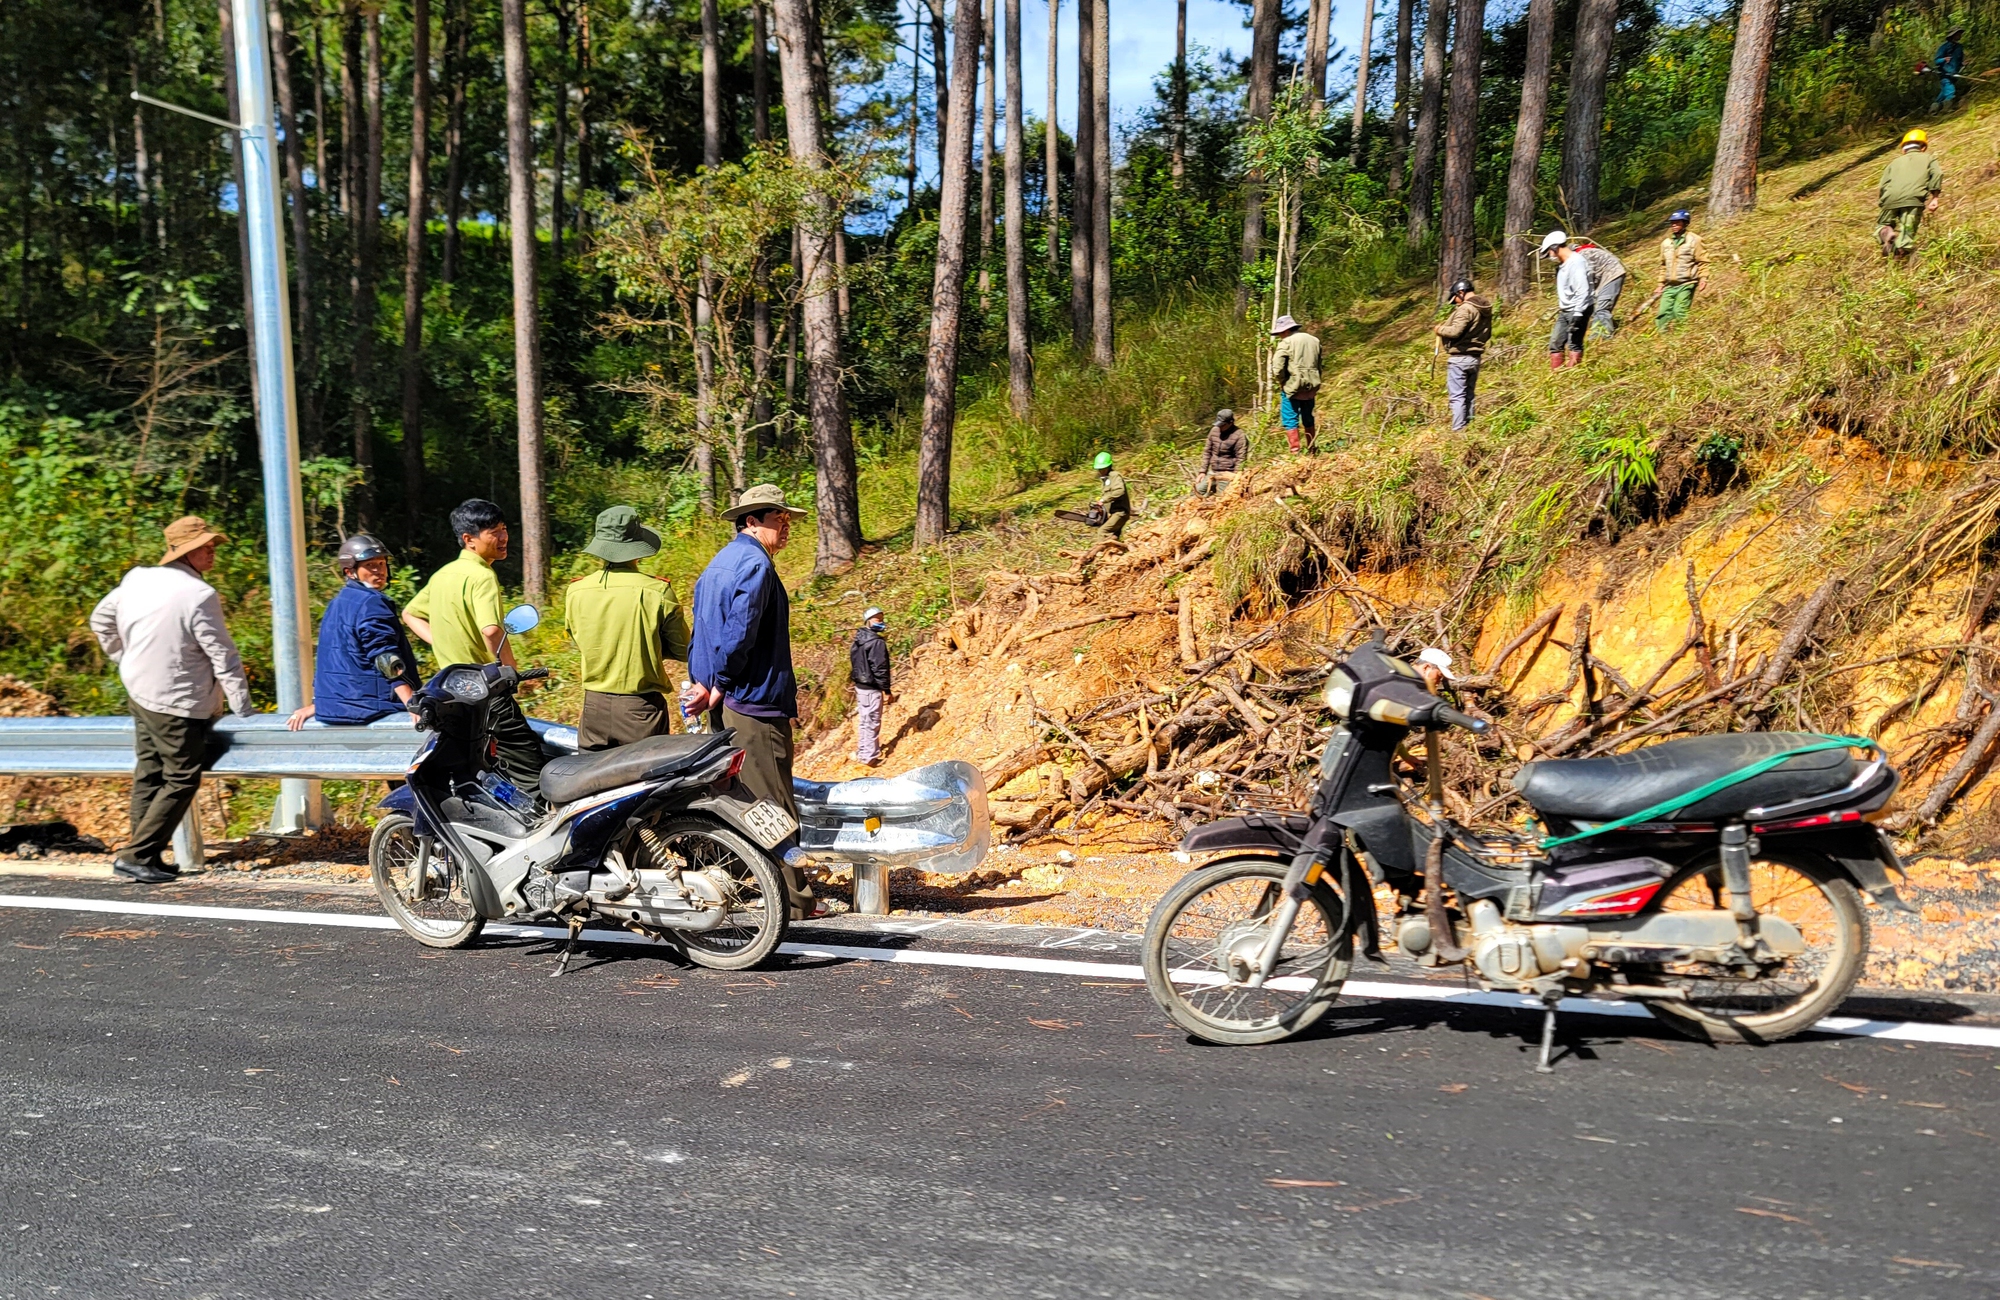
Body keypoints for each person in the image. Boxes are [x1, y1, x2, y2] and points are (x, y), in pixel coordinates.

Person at [89, 516, 254, 884]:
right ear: (186, 551)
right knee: (181, 777)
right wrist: (243, 709)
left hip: (139, 690)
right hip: (178, 699)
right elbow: (222, 655)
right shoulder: (199, 595)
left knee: (150, 772)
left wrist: (124, 656)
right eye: (205, 546)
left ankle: (143, 854)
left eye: (212, 545)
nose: (212, 551)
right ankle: (137, 855)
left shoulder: (137, 579)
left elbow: (100, 620)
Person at [682, 484, 815, 913]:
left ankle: (747, 883)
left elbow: (701, 631)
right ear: (752, 521)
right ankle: (794, 899)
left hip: (724, 699)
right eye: (780, 519)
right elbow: (738, 633)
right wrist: (721, 680)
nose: (787, 527)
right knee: (772, 800)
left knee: (737, 797)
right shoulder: (755, 565)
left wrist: (703, 684)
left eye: (788, 519)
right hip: (751, 700)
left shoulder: (717, 564)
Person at [403, 499, 547, 801]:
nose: (503, 538)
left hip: (450, 695)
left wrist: (442, 640)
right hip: (486, 692)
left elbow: (410, 614)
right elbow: (491, 630)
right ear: (469, 540)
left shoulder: (443, 575)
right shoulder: (482, 576)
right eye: (493, 532)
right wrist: (511, 671)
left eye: (504, 529)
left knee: (475, 769)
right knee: (530, 765)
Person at [564, 505, 693, 751]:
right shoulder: (657, 591)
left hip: (593, 708)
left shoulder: (576, 591)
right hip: (640, 711)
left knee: (590, 785)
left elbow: (581, 640)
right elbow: (685, 650)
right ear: (637, 547)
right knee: (643, 784)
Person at [286, 534, 421, 730]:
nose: (379, 571)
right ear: (350, 571)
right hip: (371, 708)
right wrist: (411, 702)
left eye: (382, 564)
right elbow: (384, 657)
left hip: (335, 709)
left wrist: (320, 704)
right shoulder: (372, 603)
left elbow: (336, 661)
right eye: (370, 565)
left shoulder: (336, 604)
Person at [1433, 278, 1491, 431]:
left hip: (1460, 359)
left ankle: (1458, 431)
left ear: (1461, 292)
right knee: (1469, 395)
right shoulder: (1484, 308)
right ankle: (1470, 428)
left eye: (1456, 299)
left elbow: (1455, 331)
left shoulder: (1466, 309)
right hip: (1475, 358)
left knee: (1457, 397)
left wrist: (1440, 329)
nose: (1456, 303)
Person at [1877, 128, 1944, 259]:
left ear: (1903, 149)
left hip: (1890, 198)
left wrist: (1883, 202)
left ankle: (1886, 233)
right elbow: (1938, 174)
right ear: (1923, 147)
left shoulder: (1893, 163)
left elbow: (1883, 184)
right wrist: (1935, 197)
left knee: (1883, 224)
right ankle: (1902, 260)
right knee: (1906, 235)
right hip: (1913, 200)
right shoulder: (1929, 159)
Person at [1541, 230, 1595, 369]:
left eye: (1549, 253)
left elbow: (1582, 290)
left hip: (1578, 309)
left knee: (1574, 343)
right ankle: (1557, 373)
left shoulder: (1576, 262)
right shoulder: (1562, 266)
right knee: (1555, 343)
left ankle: (1572, 372)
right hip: (1565, 310)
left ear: (1554, 248)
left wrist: (1578, 314)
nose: (1549, 257)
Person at [1268, 314, 1322, 452]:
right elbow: (1319, 365)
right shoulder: (1314, 340)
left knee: (1290, 419)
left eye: (1280, 333)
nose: (1280, 336)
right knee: (1308, 417)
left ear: (1285, 330)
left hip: (1292, 387)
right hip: (1311, 386)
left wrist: (1282, 382)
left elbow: (1278, 368)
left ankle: (1295, 452)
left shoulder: (1285, 343)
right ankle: (1312, 448)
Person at [850, 607, 893, 767]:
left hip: (860, 686)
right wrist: (886, 690)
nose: (881, 622)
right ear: (868, 621)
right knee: (872, 721)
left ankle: (863, 752)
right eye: (877, 619)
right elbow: (880, 669)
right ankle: (869, 757)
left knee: (864, 721)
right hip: (871, 688)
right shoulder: (876, 642)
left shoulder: (859, 639)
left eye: (882, 619)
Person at [1654, 210, 1709, 331]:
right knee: (1663, 313)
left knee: (1679, 311)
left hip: (1686, 283)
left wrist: (1703, 278)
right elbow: (1663, 265)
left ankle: (1681, 336)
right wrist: (1660, 284)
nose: (1674, 225)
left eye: (1677, 222)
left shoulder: (1695, 240)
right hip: (1669, 285)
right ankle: (1663, 338)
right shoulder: (1666, 243)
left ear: (1685, 223)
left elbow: (1703, 261)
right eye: (1672, 223)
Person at [1574, 237, 1628, 338]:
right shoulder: (1581, 255)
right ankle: (1609, 329)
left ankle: (1601, 338)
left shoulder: (1582, 255)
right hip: (1604, 277)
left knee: (1602, 309)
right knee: (1595, 308)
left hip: (1612, 275)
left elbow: (1588, 275)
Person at [1196, 408, 1248, 496]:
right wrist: (1202, 472)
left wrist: (1235, 478)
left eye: (1222, 425)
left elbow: (1241, 458)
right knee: (1197, 492)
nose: (1220, 427)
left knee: (1221, 497)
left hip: (1228, 473)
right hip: (1212, 472)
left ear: (1230, 422)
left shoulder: (1240, 436)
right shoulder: (1214, 431)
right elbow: (1207, 452)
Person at [1092, 452, 1130, 542]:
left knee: (1102, 531)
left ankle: (1101, 554)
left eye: (1103, 468)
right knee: (1114, 536)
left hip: (1120, 512)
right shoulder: (1106, 479)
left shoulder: (1114, 476)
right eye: (1099, 469)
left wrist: (1103, 500)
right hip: (1113, 513)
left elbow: (1119, 491)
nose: (1101, 471)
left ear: (1108, 466)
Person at [1933, 27, 1967, 112]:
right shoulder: (1943, 47)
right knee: (1950, 91)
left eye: (1960, 33)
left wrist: (1963, 64)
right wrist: (1944, 59)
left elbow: (1959, 60)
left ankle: (1933, 109)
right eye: (1958, 34)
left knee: (1944, 92)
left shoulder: (1959, 47)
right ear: (1952, 35)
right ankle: (1947, 109)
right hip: (1945, 74)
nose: (1960, 35)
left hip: (1954, 73)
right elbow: (1937, 60)